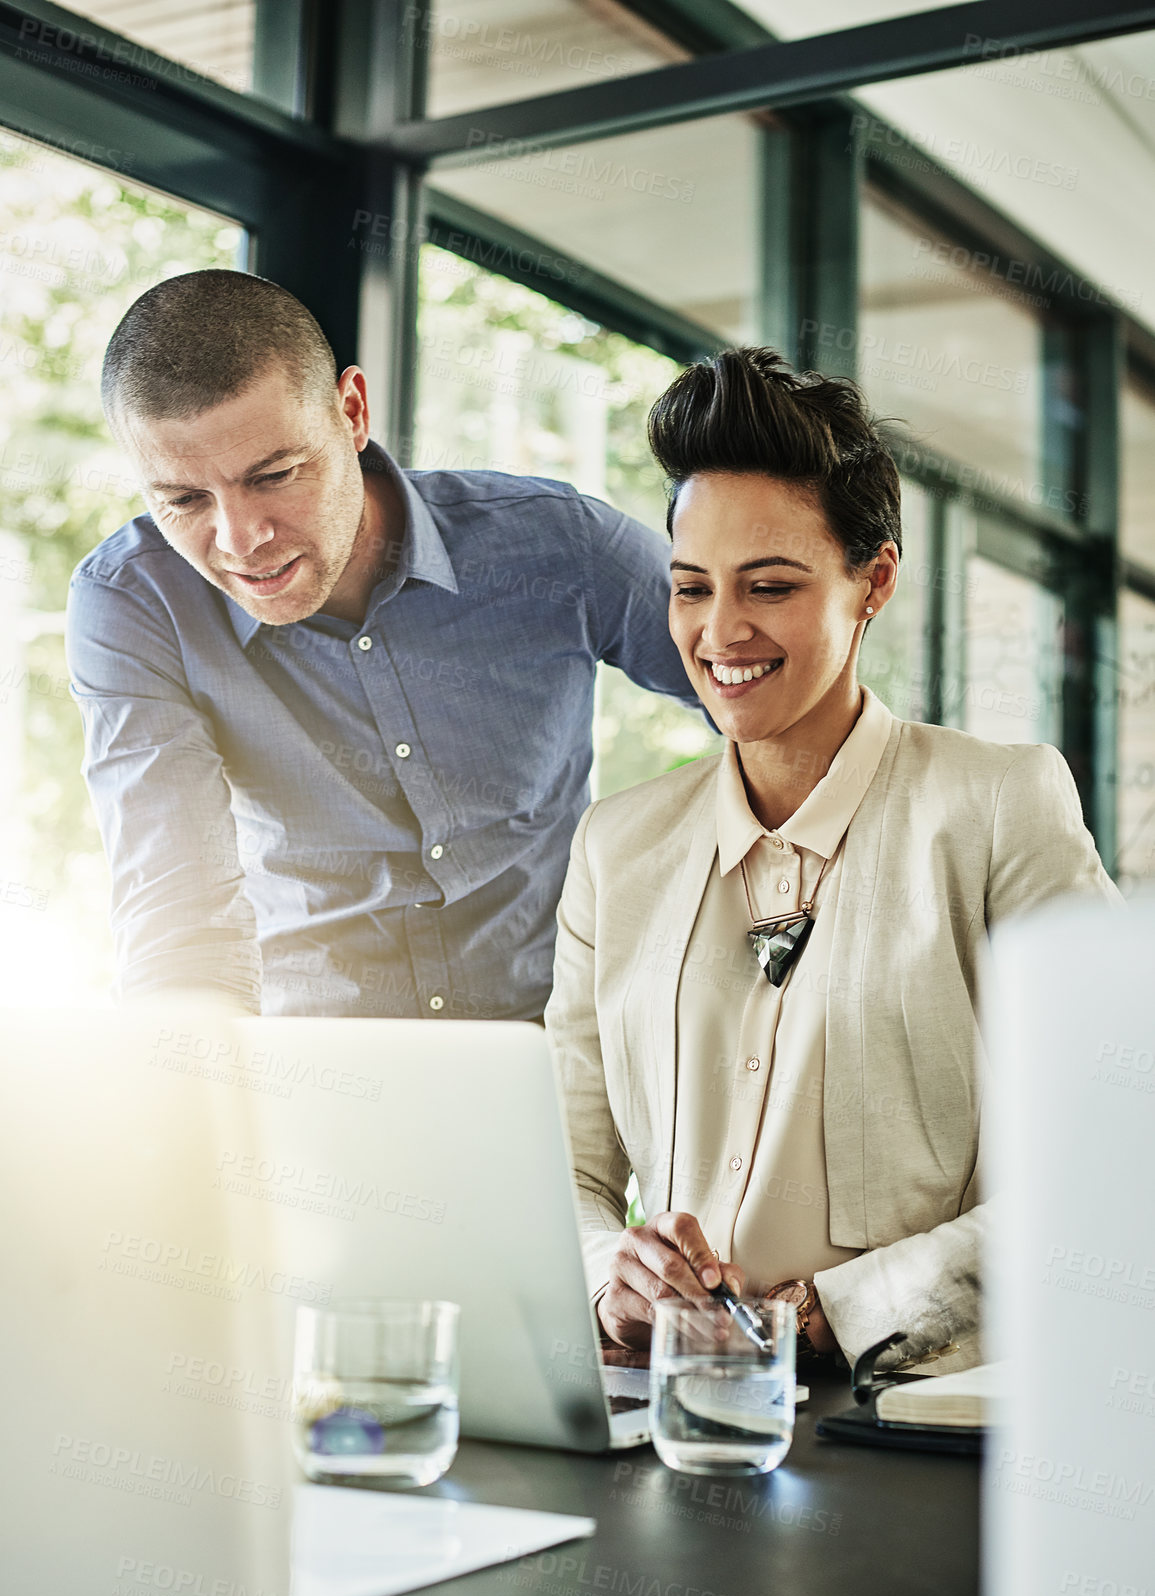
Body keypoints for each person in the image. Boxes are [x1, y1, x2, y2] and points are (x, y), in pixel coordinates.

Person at [545, 346, 1122, 1372]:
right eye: (691, 588)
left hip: (914, 1427)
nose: (721, 631)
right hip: (675, 1421)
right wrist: (610, 1280)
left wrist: (841, 1312)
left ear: (874, 583)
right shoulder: (616, 848)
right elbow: (561, 1168)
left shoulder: (999, 806)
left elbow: (1112, 1153)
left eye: (768, 585)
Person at [66, 270, 695, 1019]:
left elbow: (773, 696)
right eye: (183, 500)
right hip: (320, 1075)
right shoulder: (133, 600)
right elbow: (178, 915)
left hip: (564, 1051)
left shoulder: (558, 544)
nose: (239, 540)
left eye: (274, 475)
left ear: (352, 411)